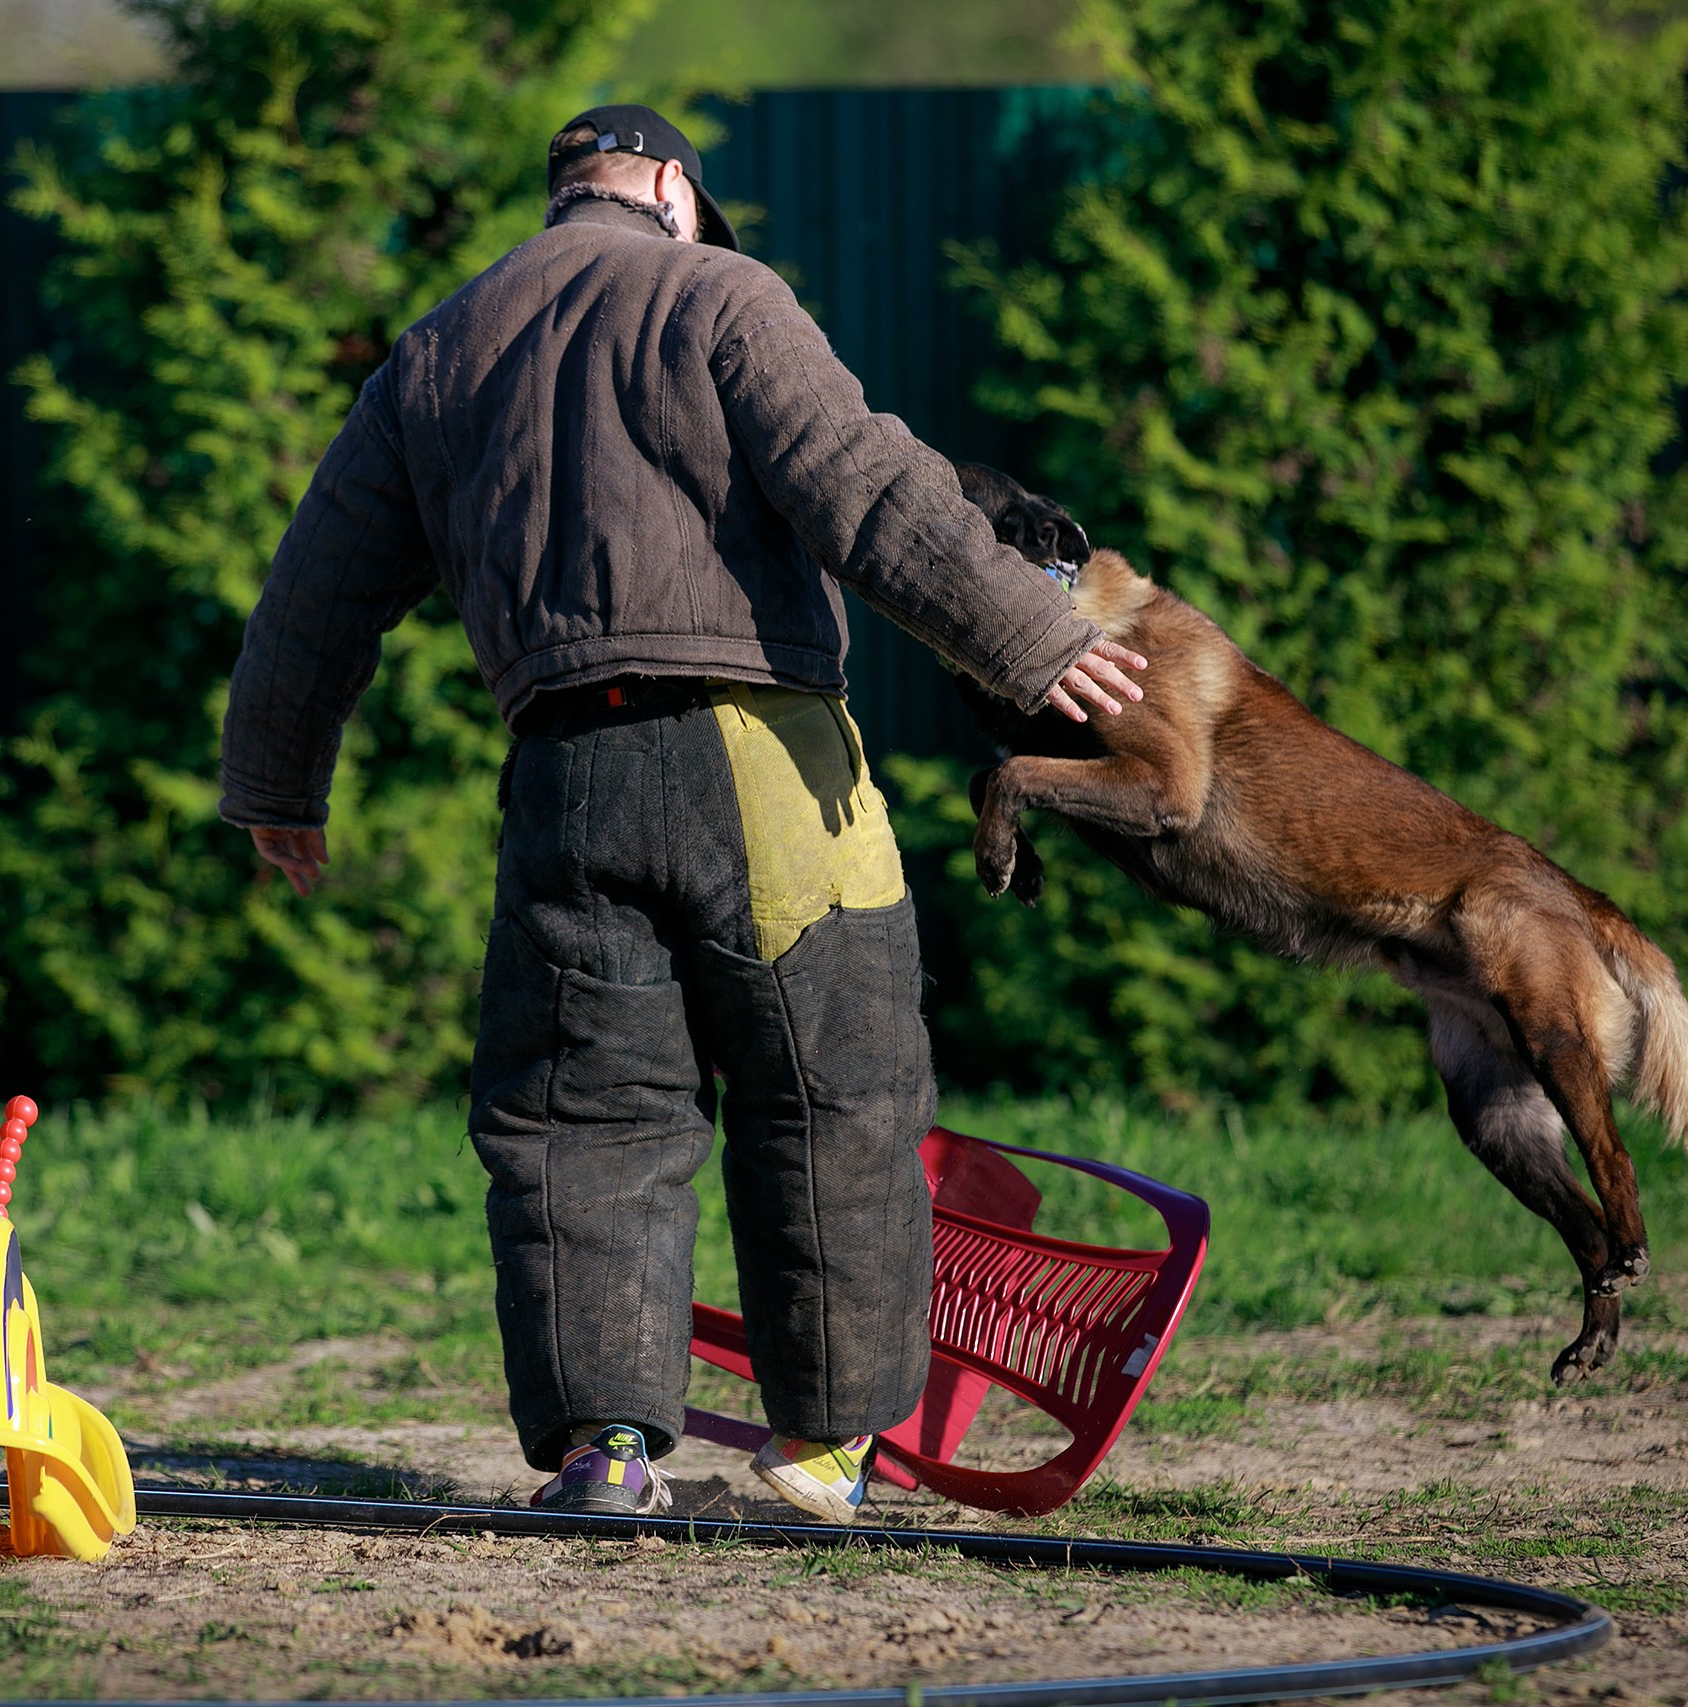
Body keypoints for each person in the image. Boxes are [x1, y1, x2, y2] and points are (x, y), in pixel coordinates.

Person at [219, 104, 1144, 1523]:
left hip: (562, 779)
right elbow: (869, 489)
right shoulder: (724, 295)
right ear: (668, 189)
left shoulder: (442, 350)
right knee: (833, 1084)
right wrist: (1033, 638)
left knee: (581, 1117)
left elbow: (319, 585)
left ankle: (607, 1456)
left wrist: (280, 782)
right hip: (757, 752)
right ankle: (825, 1452)